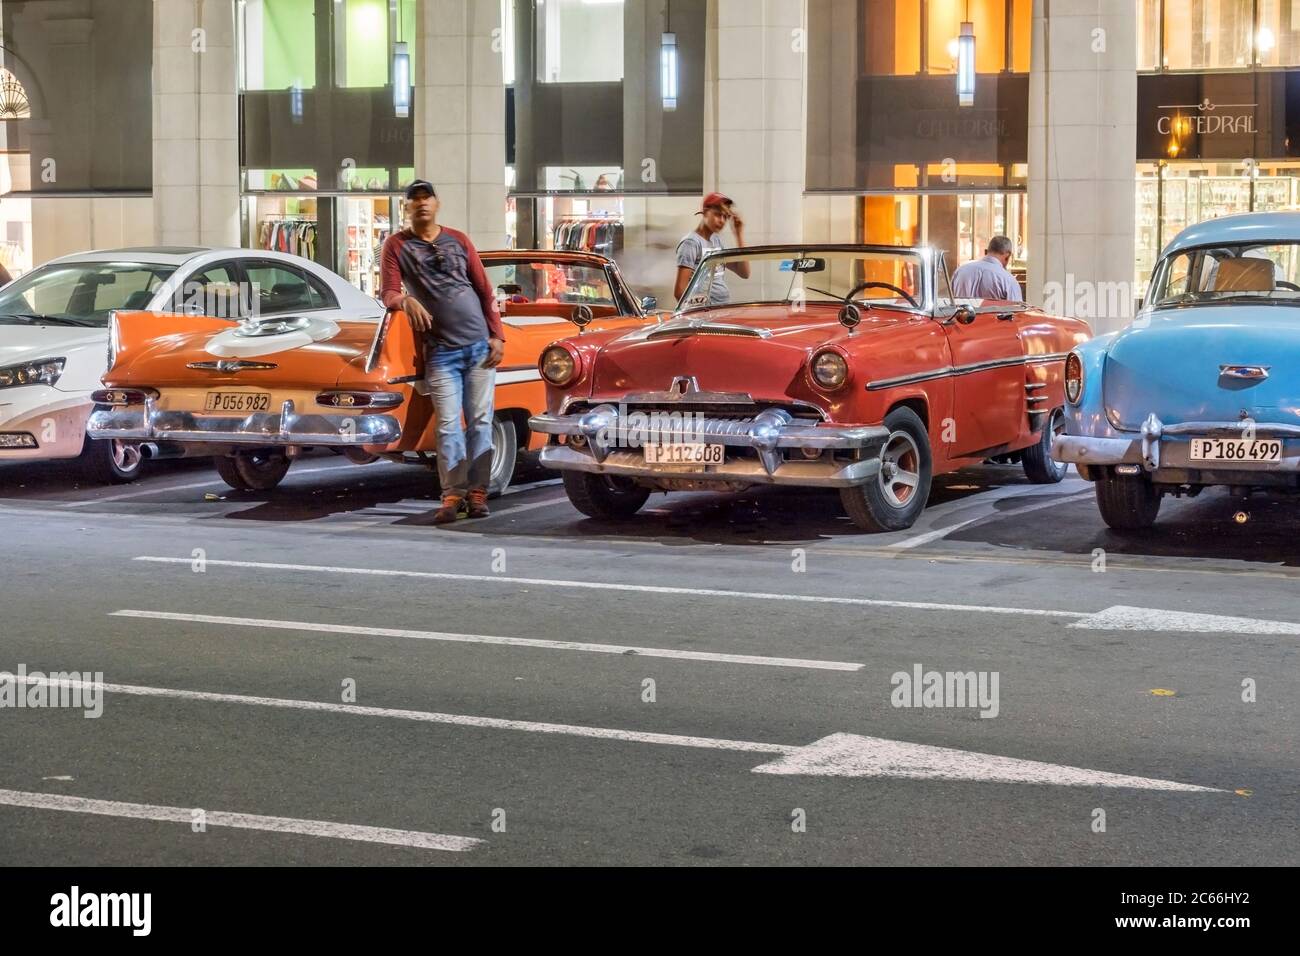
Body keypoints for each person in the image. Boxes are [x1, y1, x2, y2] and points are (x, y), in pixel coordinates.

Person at [380, 179, 506, 525]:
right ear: (406, 207)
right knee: (448, 426)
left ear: (437, 203)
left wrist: (498, 336)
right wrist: (405, 300)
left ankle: (478, 494)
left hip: (479, 345)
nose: (421, 204)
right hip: (440, 352)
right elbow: (388, 292)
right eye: (414, 199)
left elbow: (483, 289)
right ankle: (452, 495)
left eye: (427, 198)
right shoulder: (397, 245)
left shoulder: (459, 240)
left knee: (480, 422)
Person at [673, 191, 750, 305]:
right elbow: (679, 292)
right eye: (718, 214)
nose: (722, 221)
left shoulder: (716, 240)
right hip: (705, 314)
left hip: (722, 309)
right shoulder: (691, 243)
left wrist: (739, 235)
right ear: (705, 212)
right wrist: (699, 312)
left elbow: (744, 272)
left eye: (726, 216)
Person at [950, 236, 1023, 302]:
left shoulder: (960, 271)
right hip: (992, 317)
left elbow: (949, 303)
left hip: (960, 316)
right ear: (1007, 256)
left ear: (986, 251)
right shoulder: (1008, 280)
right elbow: (1017, 311)